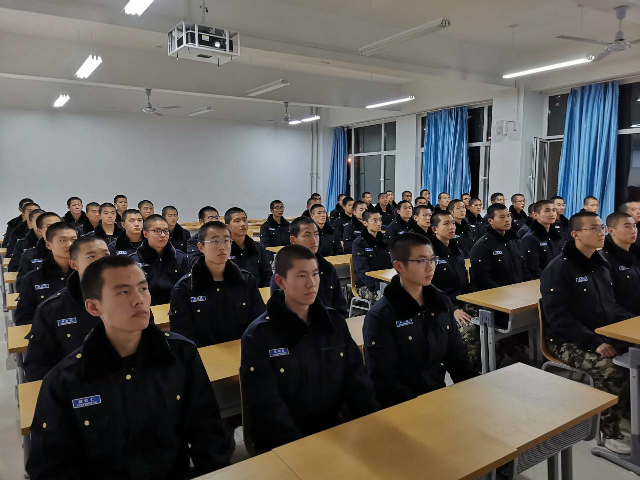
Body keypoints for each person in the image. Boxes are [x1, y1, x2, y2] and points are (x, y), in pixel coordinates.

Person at [26, 255, 230, 479]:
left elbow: (207, 432)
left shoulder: (181, 354)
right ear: (94, 307)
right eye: (123, 292)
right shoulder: (65, 380)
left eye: (143, 288)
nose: (139, 300)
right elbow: (51, 468)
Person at [239, 245, 379, 452]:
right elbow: (267, 407)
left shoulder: (333, 321)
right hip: (289, 443)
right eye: (301, 275)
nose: (311, 283)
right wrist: (304, 448)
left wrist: (373, 423)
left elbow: (357, 379)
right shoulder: (259, 336)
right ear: (281, 282)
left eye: (315, 274)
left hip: (336, 430)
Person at [541, 211, 632, 454]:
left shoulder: (600, 263)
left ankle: (626, 413)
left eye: (602, 228)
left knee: (634, 358)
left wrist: (631, 323)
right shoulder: (559, 268)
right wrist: (593, 342)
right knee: (612, 370)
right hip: (567, 340)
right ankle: (609, 430)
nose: (601, 233)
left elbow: (611, 306)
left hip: (600, 333)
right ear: (576, 234)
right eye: (594, 228)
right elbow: (558, 317)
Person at [363, 233, 478, 408]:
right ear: (399, 266)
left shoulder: (440, 302)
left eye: (432, 260)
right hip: (404, 407)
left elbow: (457, 360)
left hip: (438, 397)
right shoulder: (381, 316)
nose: (430, 267)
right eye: (421, 261)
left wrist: (476, 391)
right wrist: (423, 408)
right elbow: (385, 382)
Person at [23, 236, 110, 381]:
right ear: (74, 264)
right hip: (76, 384)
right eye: (91, 256)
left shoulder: (131, 298)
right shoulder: (51, 309)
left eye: (106, 255)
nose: (102, 261)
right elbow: (37, 368)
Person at [170, 221, 265, 347]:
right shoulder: (184, 287)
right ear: (201, 247)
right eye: (215, 241)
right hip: (203, 356)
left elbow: (258, 323)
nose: (222, 246)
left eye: (226, 241)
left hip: (243, 351)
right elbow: (183, 336)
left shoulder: (246, 280)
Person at [270, 217, 348, 317]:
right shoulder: (284, 272)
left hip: (329, 323)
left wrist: (338, 323)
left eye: (316, 234)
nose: (314, 240)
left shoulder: (327, 268)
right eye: (307, 235)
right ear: (293, 240)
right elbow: (279, 314)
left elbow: (340, 306)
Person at [430, 211, 480, 367]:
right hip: (441, 306)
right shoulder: (429, 254)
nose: (452, 227)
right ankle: (468, 369)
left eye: (452, 223)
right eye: (446, 224)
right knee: (469, 328)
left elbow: (465, 283)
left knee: (492, 316)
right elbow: (428, 289)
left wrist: (477, 299)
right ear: (434, 229)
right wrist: (452, 309)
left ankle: (490, 360)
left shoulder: (457, 251)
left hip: (461, 300)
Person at [15, 222, 77, 325]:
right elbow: (24, 318)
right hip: (47, 332)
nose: (69, 244)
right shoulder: (33, 278)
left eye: (74, 239)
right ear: (49, 244)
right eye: (62, 240)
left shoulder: (87, 274)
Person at [130, 215, 190, 305]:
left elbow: (187, 287)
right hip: (145, 307)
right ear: (145, 234)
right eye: (157, 231)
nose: (163, 235)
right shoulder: (133, 261)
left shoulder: (180, 257)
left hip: (175, 307)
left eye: (165, 231)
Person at [470, 203, 531, 291]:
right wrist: (503, 292)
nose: (507, 220)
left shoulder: (515, 241)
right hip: (497, 294)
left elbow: (524, 269)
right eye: (501, 217)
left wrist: (527, 287)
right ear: (490, 221)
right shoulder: (483, 246)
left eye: (508, 216)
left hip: (518, 291)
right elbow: (483, 279)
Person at [603, 211, 640, 315]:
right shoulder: (604, 261)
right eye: (627, 226)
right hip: (625, 320)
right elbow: (606, 302)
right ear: (611, 230)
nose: (633, 231)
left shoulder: (636, 255)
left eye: (634, 226)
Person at [225, 207, 272, 287]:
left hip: (257, 292)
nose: (242, 224)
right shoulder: (222, 249)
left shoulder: (258, 248)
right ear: (227, 226)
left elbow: (268, 277)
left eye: (244, 220)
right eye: (237, 221)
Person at [353, 211, 392, 303]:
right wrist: (376, 286)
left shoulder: (385, 240)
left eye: (380, 220)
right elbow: (361, 270)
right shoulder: (359, 243)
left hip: (385, 281)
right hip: (367, 285)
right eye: (375, 220)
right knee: (389, 298)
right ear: (365, 223)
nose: (379, 223)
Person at [16, 212, 61, 289]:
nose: (54, 230)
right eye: (49, 226)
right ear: (39, 230)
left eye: (58, 226)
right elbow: (22, 286)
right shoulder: (29, 255)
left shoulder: (72, 252)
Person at [521, 200, 563, 279]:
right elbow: (532, 268)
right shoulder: (530, 238)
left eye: (554, 210)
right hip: (542, 281)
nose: (552, 214)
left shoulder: (556, 236)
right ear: (536, 215)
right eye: (547, 211)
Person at [8, 208, 44, 273]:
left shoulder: (57, 243)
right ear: (30, 223)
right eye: (37, 221)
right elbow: (13, 268)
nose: (41, 225)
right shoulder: (21, 243)